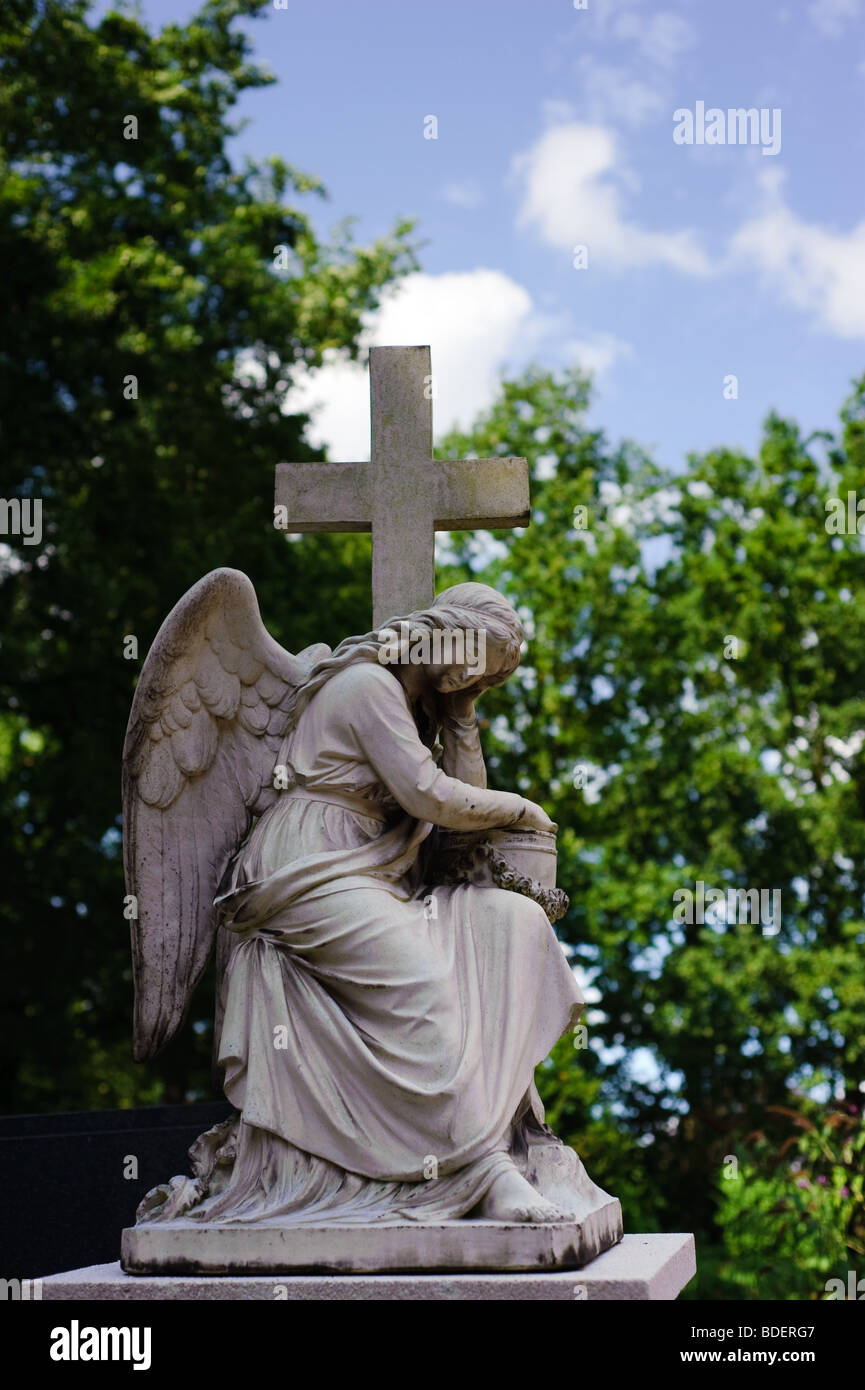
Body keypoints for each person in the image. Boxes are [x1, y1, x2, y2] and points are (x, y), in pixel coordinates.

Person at [142, 582, 584, 1226]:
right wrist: (522, 808)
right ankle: (482, 1171)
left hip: (372, 872)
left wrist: (462, 714)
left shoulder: (415, 707)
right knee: (428, 988)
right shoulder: (369, 687)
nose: (466, 673)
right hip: (310, 866)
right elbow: (429, 794)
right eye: (468, 656)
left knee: (511, 921)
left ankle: (494, 1158)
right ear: (440, 629)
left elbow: (459, 824)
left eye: (483, 674)